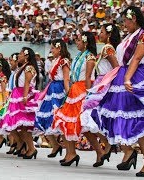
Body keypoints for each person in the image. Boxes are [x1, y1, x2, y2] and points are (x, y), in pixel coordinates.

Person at [91, 6, 144, 177]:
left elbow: (136, 58)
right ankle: (135, 155)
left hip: (137, 77)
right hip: (125, 77)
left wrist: (127, 78)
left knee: (141, 120)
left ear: (133, 18)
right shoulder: (130, 36)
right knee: (132, 120)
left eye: (126, 21)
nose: (124, 25)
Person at [52, 32, 97, 166]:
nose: (76, 43)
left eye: (78, 40)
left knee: (85, 124)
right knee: (67, 122)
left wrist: (89, 96)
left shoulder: (90, 57)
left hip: (83, 90)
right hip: (75, 89)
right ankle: (70, 153)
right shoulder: (79, 56)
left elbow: (88, 78)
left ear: (85, 42)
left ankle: (101, 151)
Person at [80, 23, 121, 167]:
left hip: (104, 83)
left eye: (102, 31)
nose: (99, 34)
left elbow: (116, 68)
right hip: (101, 83)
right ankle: (108, 144)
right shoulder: (105, 48)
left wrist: (109, 83)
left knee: (92, 116)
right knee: (93, 118)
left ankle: (112, 145)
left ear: (109, 34)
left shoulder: (107, 48)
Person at [0, 47, 40, 159]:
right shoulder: (23, 67)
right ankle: (27, 148)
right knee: (20, 126)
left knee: (23, 126)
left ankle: (31, 148)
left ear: (26, 56)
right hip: (17, 95)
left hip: (23, 95)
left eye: (21, 53)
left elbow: (27, 83)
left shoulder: (29, 68)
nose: (19, 55)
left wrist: (25, 96)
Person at [34, 39, 71, 158]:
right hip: (51, 89)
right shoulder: (55, 60)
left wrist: (69, 93)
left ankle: (69, 152)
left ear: (59, 48)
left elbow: (66, 79)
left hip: (59, 90)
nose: (51, 50)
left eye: (53, 48)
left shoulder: (64, 61)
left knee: (59, 119)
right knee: (44, 117)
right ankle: (55, 145)